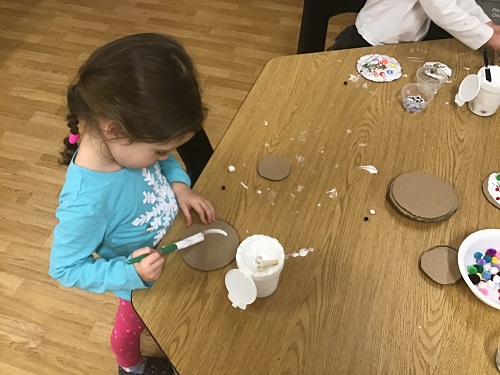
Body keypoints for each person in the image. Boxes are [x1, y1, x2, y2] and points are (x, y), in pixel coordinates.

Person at [49, 33, 216, 375]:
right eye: (159, 150)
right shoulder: (86, 202)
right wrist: (130, 272)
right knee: (130, 331)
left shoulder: (130, 146)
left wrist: (180, 186)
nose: (166, 157)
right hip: (139, 286)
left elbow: (162, 164)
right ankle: (131, 368)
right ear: (113, 130)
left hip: (172, 252)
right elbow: (65, 268)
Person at [328, 0, 500, 52]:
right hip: (369, 40)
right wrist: (490, 37)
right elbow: (440, 7)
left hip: (406, 43)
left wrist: (487, 23)